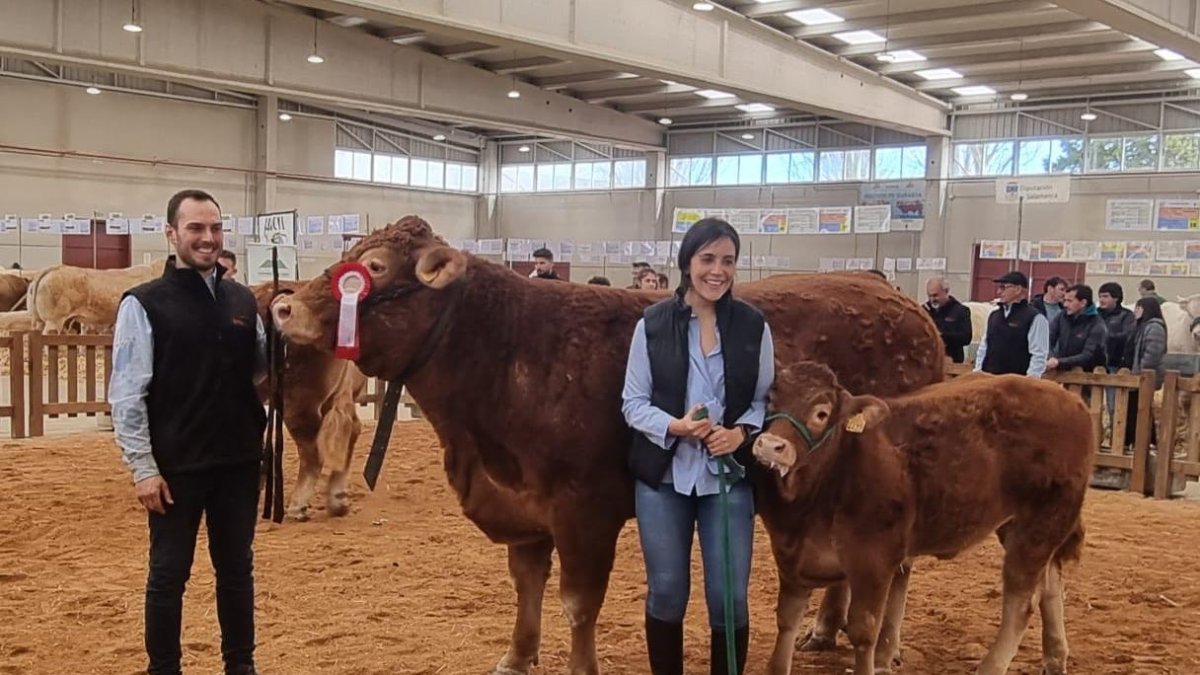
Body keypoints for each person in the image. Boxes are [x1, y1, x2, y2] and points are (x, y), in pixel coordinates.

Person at [108, 189, 267, 675]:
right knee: (169, 575)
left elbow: (259, 373)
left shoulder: (242, 299)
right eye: (196, 229)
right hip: (176, 467)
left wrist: (287, 338)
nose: (208, 238)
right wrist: (143, 467)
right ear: (172, 234)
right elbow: (127, 392)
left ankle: (240, 666)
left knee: (236, 571)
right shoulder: (144, 303)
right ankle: (165, 669)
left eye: (215, 228)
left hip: (238, 461)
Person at [621, 217, 773, 675]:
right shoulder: (652, 324)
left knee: (728, 598)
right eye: (708, 259)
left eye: (728, 261)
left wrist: (741, 432)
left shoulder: (753, 325)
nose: (718, 271)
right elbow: (633, 403)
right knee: (666, 590)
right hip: (664, 478)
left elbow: (765, 398)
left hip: (729, 480)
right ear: (688, 262)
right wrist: (677, 426)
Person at [974, 270, 1049, 378]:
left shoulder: (1035, 317)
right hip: (989, 379)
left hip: (1016, 383)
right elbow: (984, 346)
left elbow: (1039, 354)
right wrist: (978, 372)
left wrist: (1029, 380)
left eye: (1003, 287)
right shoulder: (994, 315)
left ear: (1018, 289)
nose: (999, 292)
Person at [1121, 297, 1168, 449]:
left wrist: (1142, 372)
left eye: (1138, 308)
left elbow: (1152, 353)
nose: (1135, 311)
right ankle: (1135, 441)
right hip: (1138, 374)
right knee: (1136, 408)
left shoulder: (1154, 327)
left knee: (1142, 408)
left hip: (1145, 376)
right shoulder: (1141, 326)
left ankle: (1146, 441)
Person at [1046, 284, 1107, 374]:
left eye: (1070, 301)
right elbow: (1048, 339)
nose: (1065, 304)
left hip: (1089, 376)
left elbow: (1088, 355)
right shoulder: (1062, 316)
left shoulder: (1097, 324)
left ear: (1083, 303)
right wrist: (1051, 357)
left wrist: (1060, 362)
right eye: (1065, 300)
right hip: (1061, 372)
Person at [923, 276, 972, 363]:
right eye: (929, 296)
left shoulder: (960, 311)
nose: (932, 299)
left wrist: (941, 336)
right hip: (927, 362)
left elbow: (966, 337)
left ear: (946, 291)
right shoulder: (924, 310)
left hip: (952, 362)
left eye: (935, 295)